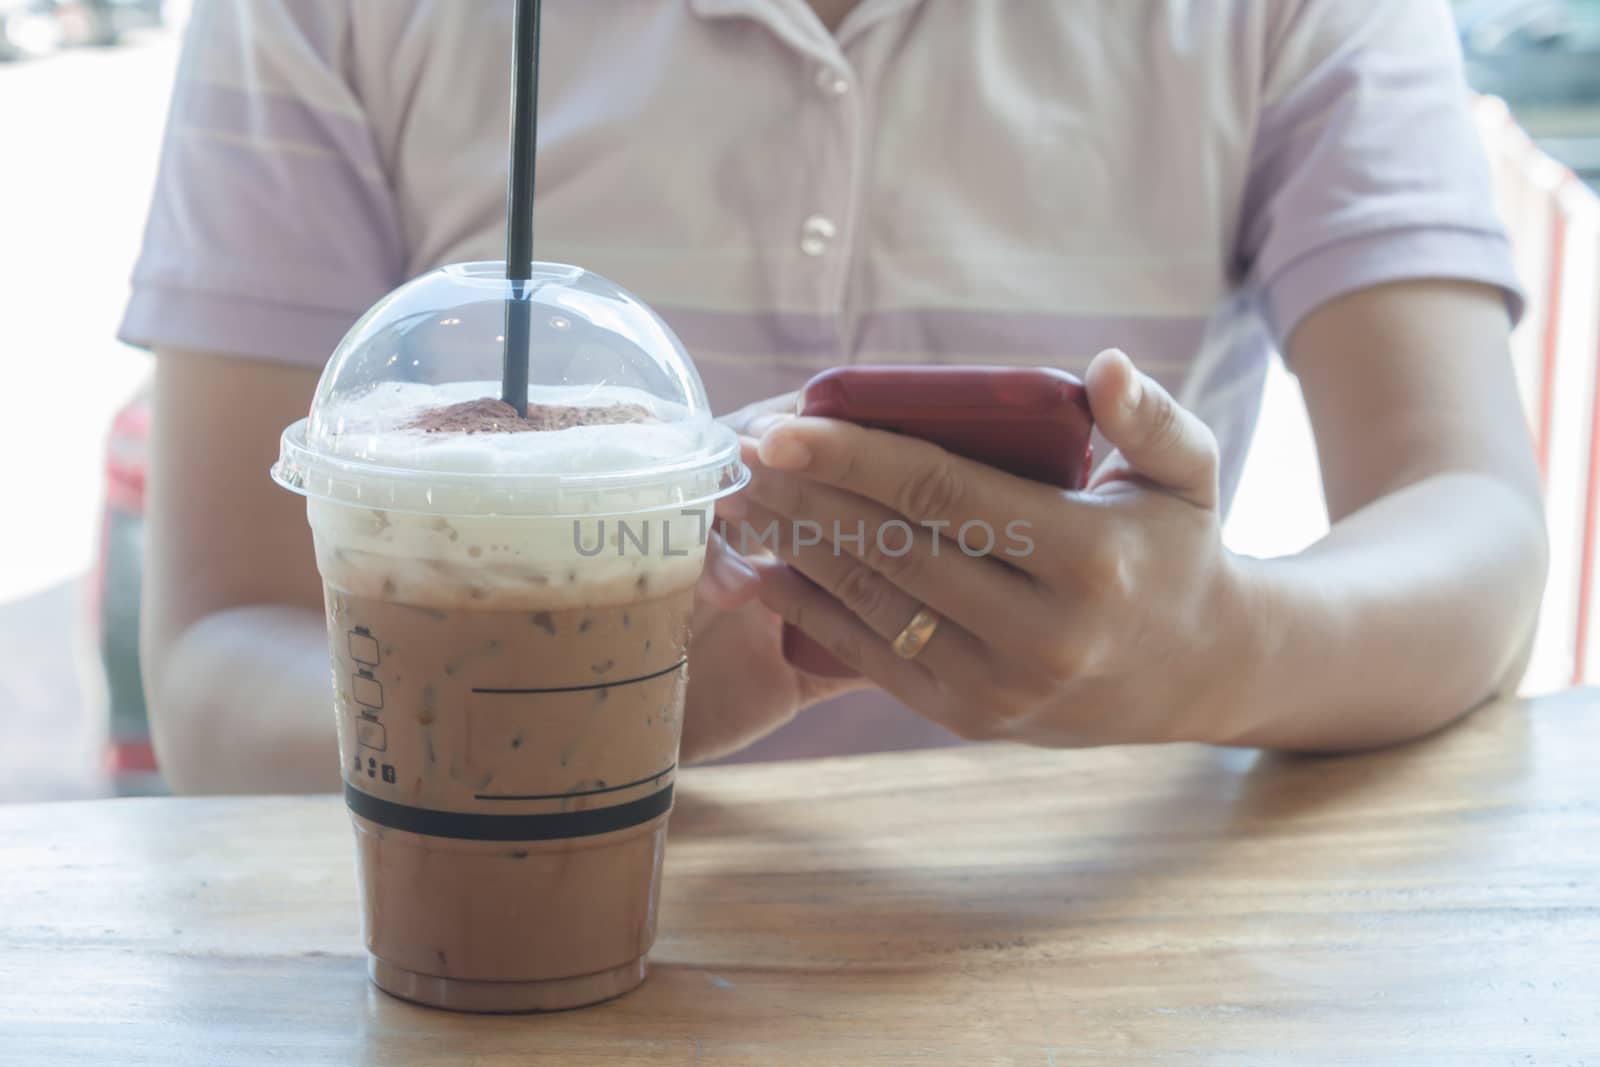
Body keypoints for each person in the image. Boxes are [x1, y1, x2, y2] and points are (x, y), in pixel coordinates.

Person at [123, 0, 1546, 794]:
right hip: (503, 950)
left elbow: (1475, 534)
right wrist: (587, 713)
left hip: (1102, 944)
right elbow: (215, 666)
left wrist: (1213, 650)